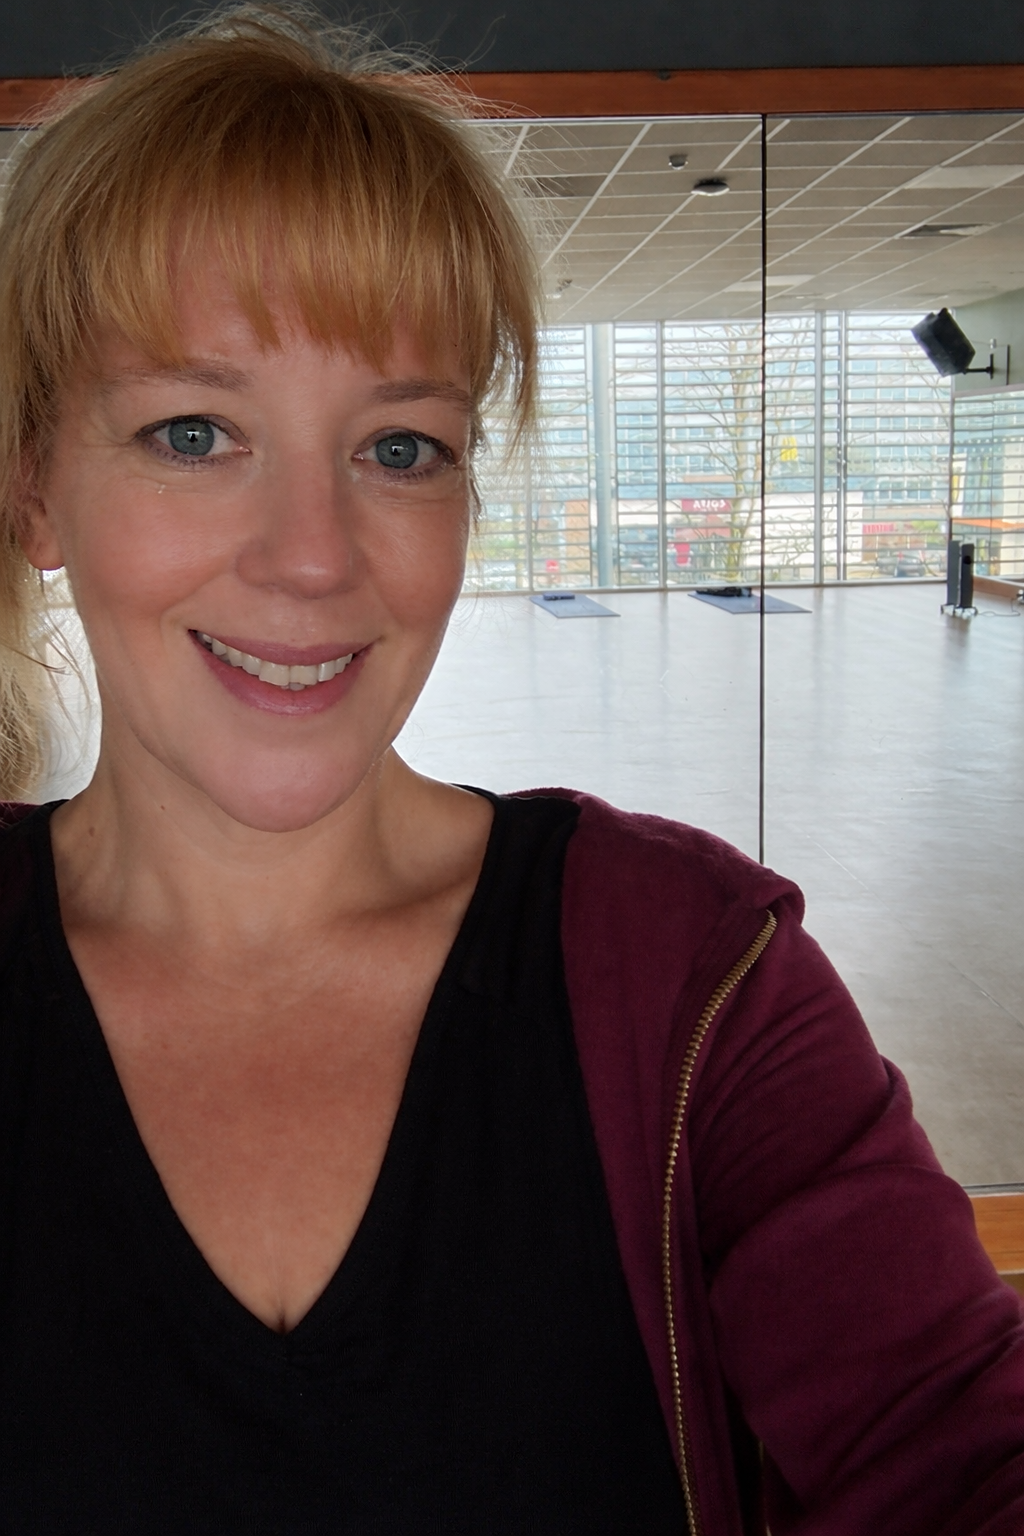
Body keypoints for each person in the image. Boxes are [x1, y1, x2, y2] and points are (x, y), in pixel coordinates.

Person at [0, 7, 1021, 1533]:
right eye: (194, 432)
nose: (312, 557)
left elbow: (953, 1447)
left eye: (399, 447)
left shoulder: (690, 978)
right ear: (34, 488)